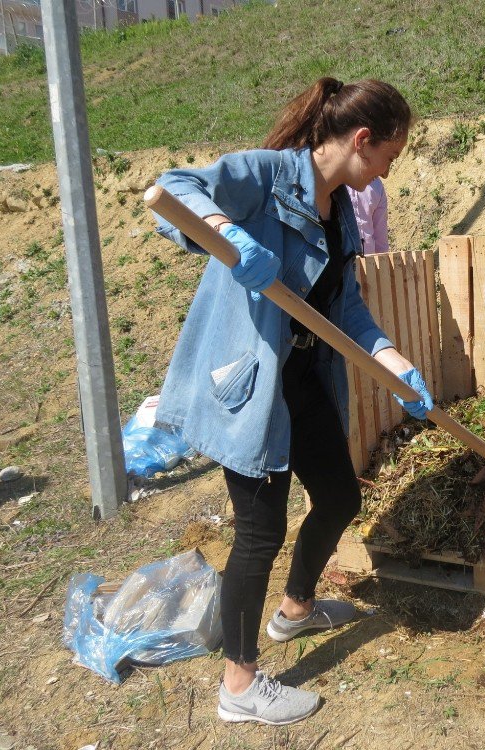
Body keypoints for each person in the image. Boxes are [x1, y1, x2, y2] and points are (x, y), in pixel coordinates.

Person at [151, 77, 434, 726]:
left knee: (339, 497)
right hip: (250, 387)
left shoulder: (340, 209)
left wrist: (398, 366)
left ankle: (298, 609)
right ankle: (240, 685)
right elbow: (176, 187)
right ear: (361, 141)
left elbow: (348, 309)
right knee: (260, 532)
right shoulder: (268, 175)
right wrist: (231, 234)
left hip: (302, 379)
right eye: (390, 155)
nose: (390, 168)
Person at [348, 177, 389, 254]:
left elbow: (381, 239)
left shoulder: (376, 185)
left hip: (370, 260)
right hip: (340, 262)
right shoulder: (333, 181)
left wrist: (382, 262)